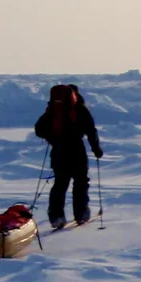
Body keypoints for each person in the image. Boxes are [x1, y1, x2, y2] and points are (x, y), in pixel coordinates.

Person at [34, 83, 103, 228]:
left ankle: (56, 216)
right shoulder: (79, 108)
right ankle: (81, 214)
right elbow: (91, 129)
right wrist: (96, 148)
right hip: (77, 150)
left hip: (59, 151)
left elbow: (39, 129)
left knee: (60, 183)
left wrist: (52, 139)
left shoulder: (52, 109)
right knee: (81, 182)